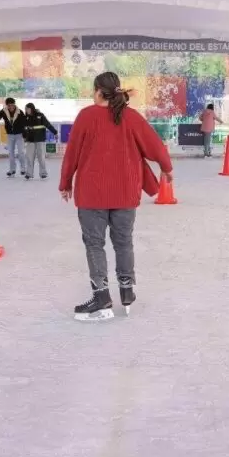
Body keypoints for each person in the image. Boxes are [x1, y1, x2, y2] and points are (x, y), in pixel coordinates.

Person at [59, 72, 173, 322]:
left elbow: (72, 154)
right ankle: (126, 290)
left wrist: (65, 182)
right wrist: (167, 168)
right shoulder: (131, 117)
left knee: (94, 244)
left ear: (98, 91)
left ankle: (101, 296)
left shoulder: (86, 116)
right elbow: (155, 146)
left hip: (91, 194)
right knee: (123, 242)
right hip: (125, 193)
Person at [0, 97, 26, 177]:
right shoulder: (4, 111)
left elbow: (24, 124)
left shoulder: (20, 112)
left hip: (19, 135)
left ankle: (23, 168)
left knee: (21, 152)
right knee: (11, 153)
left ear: (14, 104)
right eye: (9, 105)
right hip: (10, 135)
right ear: (7, 105)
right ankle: (12, 170)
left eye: (12, 105)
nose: (10, 107)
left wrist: (25, 135)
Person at [22, 103, 57, 180]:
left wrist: (55, 132)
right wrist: (24, 136)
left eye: (28, 109)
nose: (26, 110)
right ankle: (29, 173)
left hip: (40, 139)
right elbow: (24, 128)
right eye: (26, 109)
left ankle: (43, 173)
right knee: (29, 157)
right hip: (30, 140)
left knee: (41, 157)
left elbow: (47, 124)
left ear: (32, 108)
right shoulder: (25, 117)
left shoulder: (40, 115)